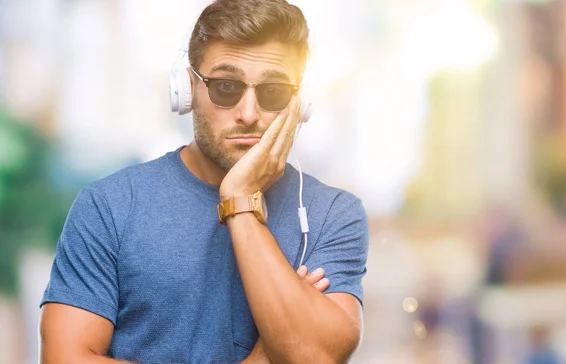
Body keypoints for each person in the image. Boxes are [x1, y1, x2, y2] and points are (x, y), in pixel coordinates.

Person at [39, 0, 369, 363]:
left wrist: (240, 200)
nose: (248, 114)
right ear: (186, 90)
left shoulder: (333, 215)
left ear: (299, 103)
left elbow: (312, 356)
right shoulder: (109, 206)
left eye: (272, 91)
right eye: (226, 87)